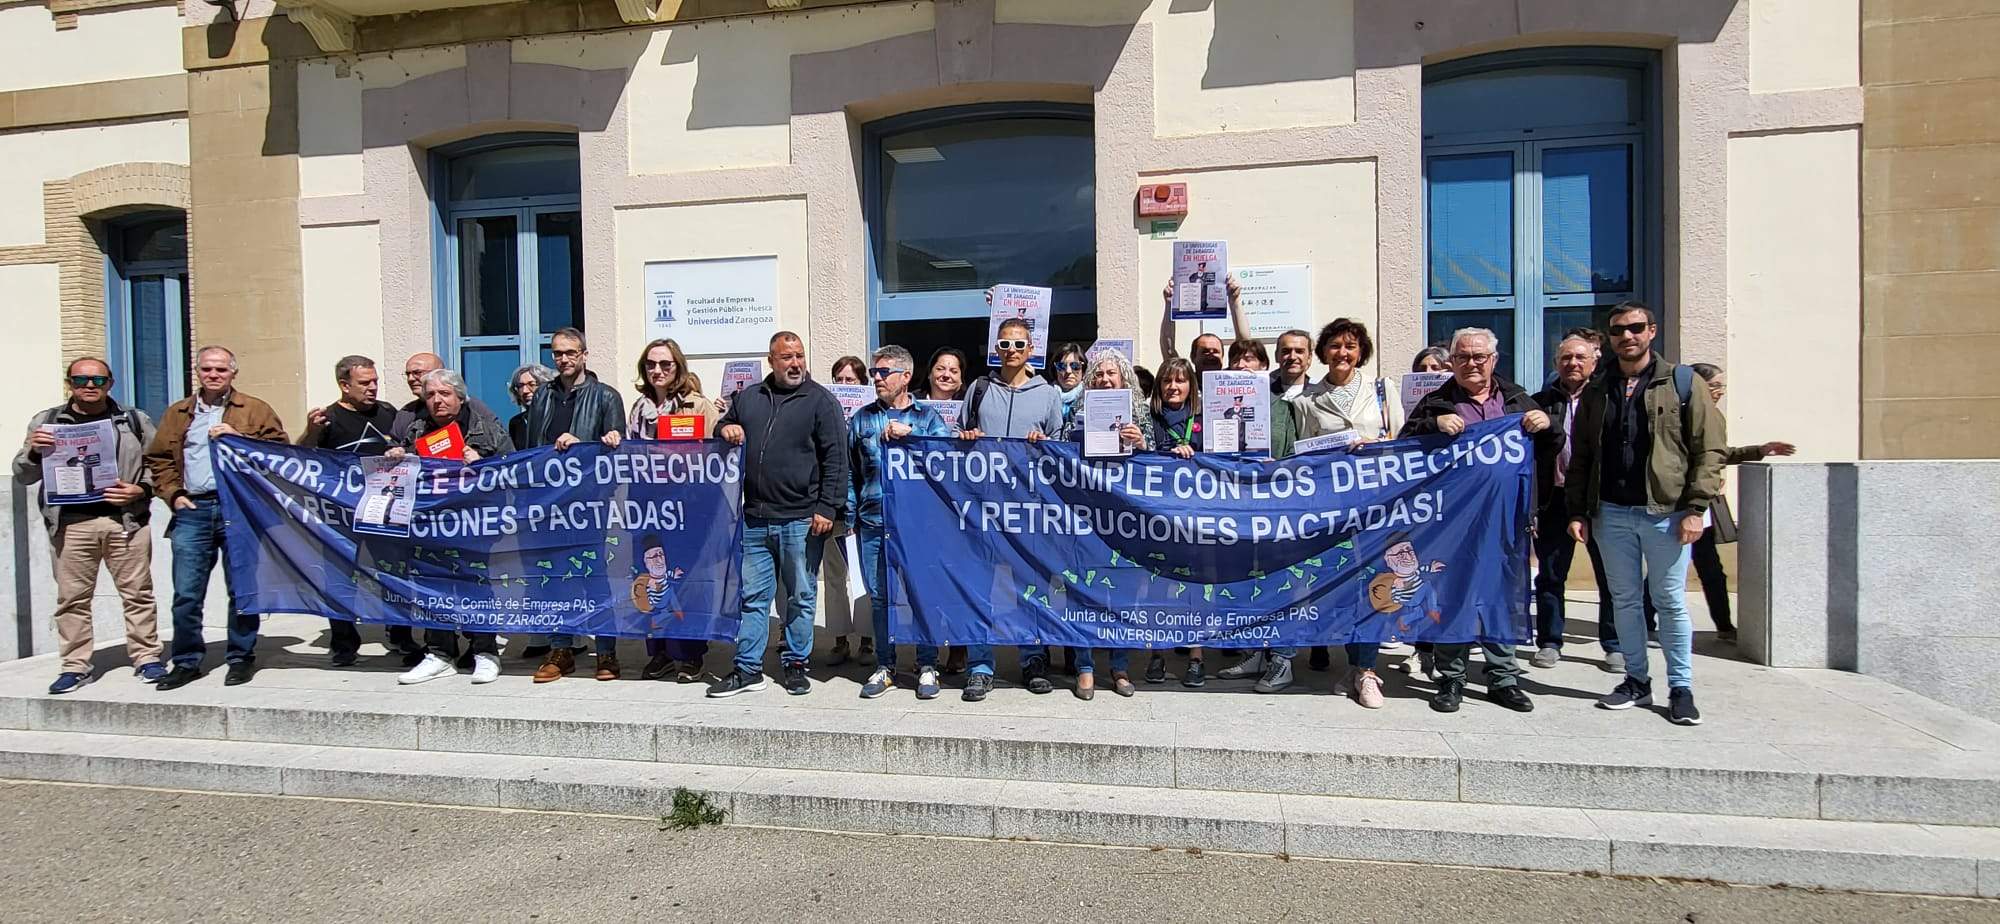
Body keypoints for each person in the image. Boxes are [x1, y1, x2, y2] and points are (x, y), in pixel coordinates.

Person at [1565, 302, 1728, 727]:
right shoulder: (1599, 388)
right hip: (1611, 514)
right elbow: (1582, 455)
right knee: (1623, 601)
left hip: (1666, 515)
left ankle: (1681, 687)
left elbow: (1710, 451)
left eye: (1635, 328)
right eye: (1618, 330)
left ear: (1651, 331)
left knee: (1670, 601)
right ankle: (1636, 681)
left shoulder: (1682, 382)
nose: (1627, 336)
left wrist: (1695, 508)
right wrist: (1579, 510)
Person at [1401, 327, 1556, 714]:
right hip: (1451, 522)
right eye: (1463, 357)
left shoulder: (1518, 399)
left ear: (1493, 360)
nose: (1471, 363)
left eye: (1479, 357)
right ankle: (1451, 676)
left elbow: (1551, 450)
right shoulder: (1435, 403)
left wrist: (1547, 424)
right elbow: (1403, 447)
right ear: (1452, 361)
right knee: (1454, 596)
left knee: (1500, 596)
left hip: (1506, 521)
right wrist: (1431, 427)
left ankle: (1503, 678)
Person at [710, 331, 848, 698]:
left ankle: (796, 663)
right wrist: (727, 427)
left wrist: (827, 508)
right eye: (786, 357)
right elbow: (719, 426)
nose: (795, 363)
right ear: (771, 360)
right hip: (755, 518)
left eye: (800, 355)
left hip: (802, 519)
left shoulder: (821, 401)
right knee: (754, 597)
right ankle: (747, 668)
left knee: (800, 595)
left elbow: (837, 459)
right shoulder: (749, 397)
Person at [14, 358, 163, 693]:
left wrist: (142, 489)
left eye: (98, 380)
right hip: (71, 524)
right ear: (70, 383)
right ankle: (75, 665)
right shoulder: (47, 421)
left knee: (137, 594)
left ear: (110, 383)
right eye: (81, 379)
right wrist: (35, 453)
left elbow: (159, 462)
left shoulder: (133, 420)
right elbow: (23, 474)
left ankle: (147, 658)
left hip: (124, 521)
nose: (89, 386)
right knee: (72, 600)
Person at [148, 346, 288, 691]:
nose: (214, 375)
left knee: (242, 588)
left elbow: (281, 453)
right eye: (207, 369)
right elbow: (160, 459)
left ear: (233, 374)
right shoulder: (178, 412)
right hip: (193, 509)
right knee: (186, 593)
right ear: (197, 372)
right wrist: (173, 495)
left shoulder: (255, 409)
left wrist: (239, 438)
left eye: (221, 370)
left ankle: (240, 657)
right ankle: (186, 661)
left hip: (239, 509)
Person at [956, 317, 1066, 702]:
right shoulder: (979, 388)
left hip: (1029, 507)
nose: (1012, 351)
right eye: (1005, 345)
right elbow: (957, 439)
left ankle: (1033, 659)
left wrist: (1045, 443)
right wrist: (967, 438)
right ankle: (980, 666)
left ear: (1030, 349)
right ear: (996, 348)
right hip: (983, 504)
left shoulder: (1049, 394)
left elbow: (1061, 448)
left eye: (1019, 345)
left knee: (1028, 587)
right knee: (980, 585)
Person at [1288, 318, 1404, 674]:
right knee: (1328, 579)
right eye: (1335, 346)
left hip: (1374, 504)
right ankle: (1322, 640)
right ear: (1323, 352)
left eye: (1350, 346)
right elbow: (1301, 456)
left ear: (1361, 352)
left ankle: (1363, 665)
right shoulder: (1306, 400)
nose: (1342, 353)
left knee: (1371, 580)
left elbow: (1400, 443)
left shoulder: (1383, 389)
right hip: (1330, 508)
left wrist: (1376, 446)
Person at [386, 368, 513, 685]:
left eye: (444, 394)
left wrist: (482, 463)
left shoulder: (485, 426)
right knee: (432, 585)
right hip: (431, 523)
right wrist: (398, 455)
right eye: (430, 395)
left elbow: (512, 467)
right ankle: (440, 653)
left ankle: (484, 652)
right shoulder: (417, 428)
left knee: (476, 585)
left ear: (460, 396)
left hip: (474, 521)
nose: (437, 401)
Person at [521, 327, 628, 683]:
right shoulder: (542, 398)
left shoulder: (605, 396)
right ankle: (560, 649)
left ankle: (607, 653)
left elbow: (616, 451)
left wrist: (583, 443)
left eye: (570, 352)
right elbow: (533, 448)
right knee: (553, 579)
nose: (563, 359)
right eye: (557, 353)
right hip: (550, 504)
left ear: (584, 354)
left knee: (595, 578)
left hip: (589, 504)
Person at [848, 345, 952, 701]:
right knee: (880, 598)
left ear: (906, 377)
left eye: (884, 372)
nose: (876, 379)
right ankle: (886, 665)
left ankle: (927, 664)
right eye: (874, 373)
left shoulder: (928, 417)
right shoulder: (861, 419)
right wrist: (849, 514)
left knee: (921, 593)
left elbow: (948, 458)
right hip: (873, 520)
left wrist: (915, 439)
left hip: (918, 524)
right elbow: (850, 472)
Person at [297, 354, 413, 667]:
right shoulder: (327, 418)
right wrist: (310, 431)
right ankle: (344, 642)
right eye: (364, 383)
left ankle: (401, 634)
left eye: (374, 381)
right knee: (339, 576)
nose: (373, 387)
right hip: (341, 514)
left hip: (385, 510)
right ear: (345, 386)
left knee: (393, 573)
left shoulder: (388, 412)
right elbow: (302, 456)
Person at [1051, 351, 1151, 699]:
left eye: (1111, 374)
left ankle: (1119, 666)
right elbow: (1059, 457)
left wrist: (1141, 444)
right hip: (1084, 518)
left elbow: (1156, 465)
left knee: (1121, 595)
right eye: (1098, 374)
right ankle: (1085, 667)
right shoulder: (1075, 417)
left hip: (1124, 520)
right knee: (1083, 592)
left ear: (1124, 379)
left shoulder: (1141, 418)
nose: (1104, 380)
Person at [628, 338, 720, 680]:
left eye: (665, 364)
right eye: (651, 364)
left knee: (686, 580)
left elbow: (719, 447)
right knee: (652, 578)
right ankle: (660, 650)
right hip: (649, 507)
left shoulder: (697, 404)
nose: (657, 371)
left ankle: (690, 653)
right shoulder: (639, 408)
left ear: (678, 367)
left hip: (689, 507)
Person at [1688, 362, 1796, 642]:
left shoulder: (1715, 416)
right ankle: (1646, 622)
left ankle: (1724, 625)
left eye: (1721, 386)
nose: (1719, 392)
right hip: (1681, 502)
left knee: (1710, 567)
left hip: (1703, 505)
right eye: (1714, 386)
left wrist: (1758, 451)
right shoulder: (1682, 413)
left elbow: (1718, 454)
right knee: (1667, 569)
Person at [1527, 334, 1599, 670]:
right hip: (1553, 498)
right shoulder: (1538, 401)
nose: (1573, 363)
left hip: (1598, 499)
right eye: (1566, 358)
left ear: (1594, 361)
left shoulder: (1607, 399)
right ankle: (1550, 641)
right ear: (1556, 364)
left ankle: (1613, 644)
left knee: (1610, 575)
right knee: (1551, 574)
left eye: (1580, 357)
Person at [1141, 357, 1212, 688]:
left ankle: (1196, 658)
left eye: (1181, 381)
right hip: (1156, 517)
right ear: (1158, 386)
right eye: (1168, 381)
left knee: (1194, 588)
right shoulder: (1149, 416)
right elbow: (1136, 456)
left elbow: (1221, 457)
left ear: (1191, 386)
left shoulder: (1204, 418)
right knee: (1158, 586)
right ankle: (1157, 655)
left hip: (1195, 517)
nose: (1174, 387)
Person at [916, 346, 972, 674]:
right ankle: (928, 649)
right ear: (930, 371)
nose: (946, 374)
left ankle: (960, 647)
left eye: (953, 370)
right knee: (929, 581)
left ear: (961, 378)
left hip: (958, 508)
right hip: (923, 506)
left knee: (958, 579)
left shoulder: (971, 409)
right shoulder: (911, 407)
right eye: (940, 368)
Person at [822, 355, 873, 669]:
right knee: (834, 577)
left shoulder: (868, 418)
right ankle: (839, 639)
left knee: (863, 575)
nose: (844, 386)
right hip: (831, 509)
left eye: (850, 381)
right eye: (839, 380)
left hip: (863, 508)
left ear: (862, 384)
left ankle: (868, 640)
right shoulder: (824, 415)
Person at [507, 363, 554, 452]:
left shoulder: (558, 415)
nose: (525, 391)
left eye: (531, 384)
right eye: (520, 386)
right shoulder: (516, 423)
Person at [1049, 342, 1089, 430]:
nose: (1068, 371)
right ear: (1055, 370)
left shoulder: (1089, 398)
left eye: (1075, 366)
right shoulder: (1045, 396)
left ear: (1083, 370)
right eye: (1061, 366)